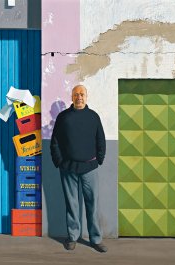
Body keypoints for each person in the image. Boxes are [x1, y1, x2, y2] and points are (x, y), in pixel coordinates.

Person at [50, 85, 107, 253]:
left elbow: (100, 140)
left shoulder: (93, 117)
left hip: (89, 168)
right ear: (72, 97)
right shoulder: (63, 117)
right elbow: (55, 142)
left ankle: (96, 239)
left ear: (86, 96)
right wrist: (59, 161)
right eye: (76, 94)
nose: (79, 97)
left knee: (93, 205)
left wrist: (100, 159)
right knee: (72, 205)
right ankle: (73, 237)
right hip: (68, 168)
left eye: (82, 94)